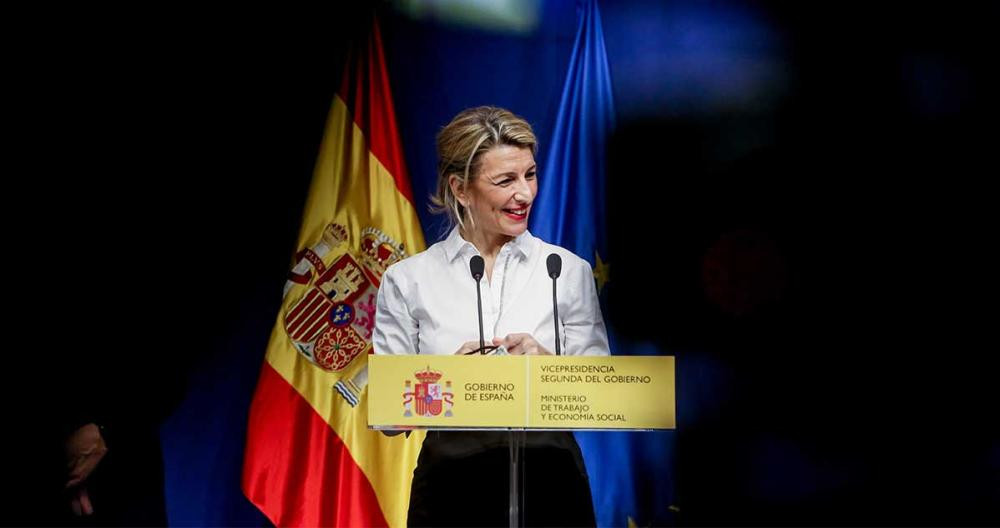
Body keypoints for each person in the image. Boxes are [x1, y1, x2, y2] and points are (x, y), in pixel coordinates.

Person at [373, 106, 608, 527]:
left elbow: (604, 401)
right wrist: (446, 381)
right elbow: (388, 417)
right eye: (505, 180)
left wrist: (548, 369)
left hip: (552, 484)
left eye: (530, 174)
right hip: (452, 489)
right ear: (460, 189)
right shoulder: (408, 280)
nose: (525, 194)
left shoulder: (566, 270)